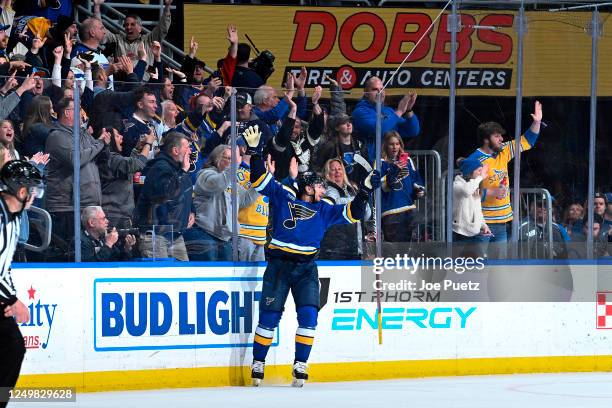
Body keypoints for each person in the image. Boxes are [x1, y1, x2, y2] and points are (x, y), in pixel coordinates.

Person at [242, 125, 381, 387]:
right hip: (279, 266)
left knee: (309, 316)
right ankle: (259, 361)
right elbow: (260, 180)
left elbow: (352, 212)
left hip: (307, 268)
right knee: (269, 317)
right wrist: (254, 152)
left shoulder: (326, 209)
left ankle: (300, 364)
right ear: (307, 187)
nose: (322, 188)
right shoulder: (284, 196)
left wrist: (364, 191)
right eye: (318, 185)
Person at [466, 101, 543, 258]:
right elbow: (467, 193)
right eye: (497, 136)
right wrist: (492, 192)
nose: (502, 138)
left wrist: (537, 122)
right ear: (486, 140)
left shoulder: (503, 151)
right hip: (482, 222)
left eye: (501, 135)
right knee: (477, 267)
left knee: (498, 267)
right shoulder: (474, 160)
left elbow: (528, 140)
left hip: (502, 221)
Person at [0, 160, 45, 408]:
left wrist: (10, 298)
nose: (35, 195)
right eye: (33, 189)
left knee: (13, 347)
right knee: (12, 347)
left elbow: (3, 267)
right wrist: (12, 300)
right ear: (20, 191)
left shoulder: (15, 217)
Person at [44, 98, 111, 260]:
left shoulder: (83, 135)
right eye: (78, 109)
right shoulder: (57, 136)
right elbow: (76, 159)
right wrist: (100, 143)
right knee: (68, 256)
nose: (82, 113)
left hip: (86, 206)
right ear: (67, 112)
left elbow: (101, 158)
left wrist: (105, 144)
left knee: (88, 256)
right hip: (66, 209)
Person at [186, 144, 258, 261]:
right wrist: (234, 166)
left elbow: (245, 199)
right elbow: (218, 184)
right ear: (217, 158)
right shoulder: (205, 174)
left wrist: (260, 181)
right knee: (208, 276)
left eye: (233, 159)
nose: (232, 162)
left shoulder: (231, 180)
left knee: (225, 277)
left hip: (225, 238)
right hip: (204, 233)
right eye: (229, 158)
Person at [134, 132, 194, 261]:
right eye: (187, 147)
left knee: (183, 278)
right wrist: (183, 172)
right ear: (175, 150)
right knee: (161, 279)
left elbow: (185, 192)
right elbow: (165, 194)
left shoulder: (178, 169)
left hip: (175, 234)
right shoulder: (159, 167)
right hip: (156, 235)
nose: (190, 151)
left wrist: (191, 210)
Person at [351, 76, 420, 159]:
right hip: (370, 164)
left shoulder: (389, 111)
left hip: (389, 163)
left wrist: (408, 110)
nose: (380, 92)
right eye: (375, 89)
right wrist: (400, 111)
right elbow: (378, 130)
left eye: (382, 89)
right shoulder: (360, 112)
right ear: (366, 93)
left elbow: (412, 131)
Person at [93, 0, 173, 69]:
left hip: (143, 83)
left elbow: (163, 28)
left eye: (132, 24)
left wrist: (167, 6)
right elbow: (100, 30)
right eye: (126, 25)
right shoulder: (117, 39)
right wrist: (97, 7)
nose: (128, 27)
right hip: (123, 82)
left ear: (140, 28)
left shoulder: (148, 40)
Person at [98, 127, 152, 229]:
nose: (122, 137)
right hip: (115, 217)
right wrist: (148, 145)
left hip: (118, 215)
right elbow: (137, 164)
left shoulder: (111, 159)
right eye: (117, 136)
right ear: (110, 140)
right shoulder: (111, 158)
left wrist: (137, 149)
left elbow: (128, 167)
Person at [319, 158, 372, 260]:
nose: (337, 171)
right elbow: (333, 204)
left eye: (339, 169)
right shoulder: (326, 189)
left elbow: (365, 216)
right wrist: (359, 199)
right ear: (327, 173)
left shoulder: (352, 189)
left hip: (356, 245)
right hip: (335, 248)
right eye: (333, 169)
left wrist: (364, 202)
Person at [380, 131, 425, 243]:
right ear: (385, 145)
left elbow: (416, 180)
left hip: (410, 209)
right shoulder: (381, 163)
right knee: (395, 252)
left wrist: (419, 190)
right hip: (391, 212)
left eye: (397, 143)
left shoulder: (408, 161)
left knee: (413, 251)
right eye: (391, 144)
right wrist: (394, 169)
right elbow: (384, 187)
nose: (395, 147)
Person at [315, 113, 370, 185]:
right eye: (344, 123)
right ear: (337, 128)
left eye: (350, 122)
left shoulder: (360, 144)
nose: (349, 125)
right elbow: (318, 168)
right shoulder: (330, 146)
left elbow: (366, 169)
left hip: (358, 187)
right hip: (338, 187)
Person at [452, 158, 491, 257]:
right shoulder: (457, 184)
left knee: (479, 264)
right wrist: (480, 178)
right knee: (456, 266)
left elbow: (477, 209)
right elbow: (466, 191)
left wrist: (484, 225)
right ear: (470, 171)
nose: (480, 172)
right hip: (461, 234)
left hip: (475, 233)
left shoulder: (474, 185)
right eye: (478, 170)